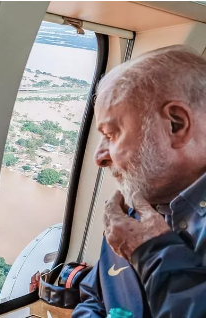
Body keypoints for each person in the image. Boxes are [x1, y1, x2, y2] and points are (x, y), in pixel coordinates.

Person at [74, 44, 206, 317]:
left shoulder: (139, 237)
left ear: (176, 125)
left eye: (111, 134)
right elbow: (96, 297)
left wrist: (151, 252)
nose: (99, 157)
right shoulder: (134, 213)